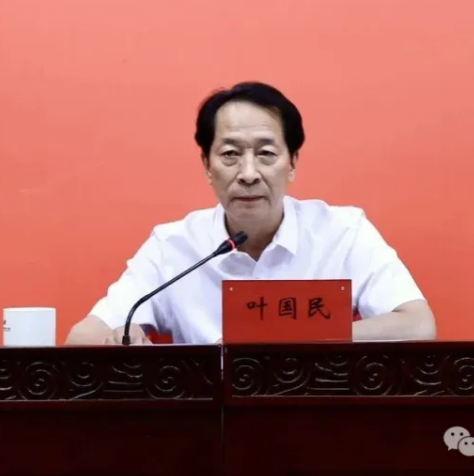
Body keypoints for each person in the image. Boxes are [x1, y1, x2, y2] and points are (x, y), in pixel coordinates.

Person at [66, 82, 436, 345]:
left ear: (292, 163)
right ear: (207, 166)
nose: (248, 173)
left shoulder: (343, 232)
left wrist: (291, 336)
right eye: (230, 154)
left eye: (266, 154)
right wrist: (122, 337)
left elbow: (418, 325)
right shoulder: (173, 246)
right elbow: (81, 337)